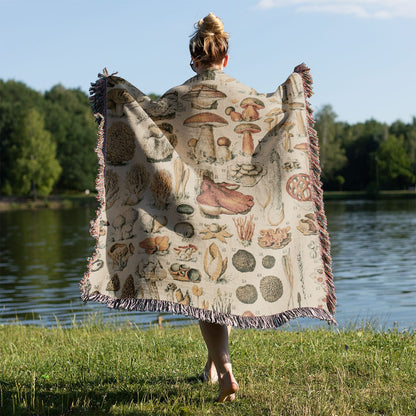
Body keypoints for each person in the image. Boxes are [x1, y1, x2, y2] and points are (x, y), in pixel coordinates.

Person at [188, 13, 239, 403]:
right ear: (225, 57)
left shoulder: (178, 96)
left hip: (194, 207)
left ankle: (225, 372)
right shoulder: (242, 95)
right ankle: (211, 365)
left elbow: (147, 129)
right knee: (222, 289)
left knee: (205, 294)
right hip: (236, 207)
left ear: (194, 60)